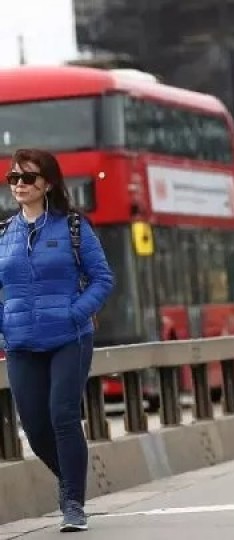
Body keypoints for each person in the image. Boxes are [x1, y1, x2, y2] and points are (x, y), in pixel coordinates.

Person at [0, 149, 114, 531]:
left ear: (47, 183)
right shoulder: (4, 233)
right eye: (13, 177)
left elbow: (102, 278)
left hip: (69, 338)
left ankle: (73, 505)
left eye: (27, 178)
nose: (18, 184)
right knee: (34, 426)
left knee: (62, 416)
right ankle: (69, 482)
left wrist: (75, 313)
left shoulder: (73, 227)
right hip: (20, 343)